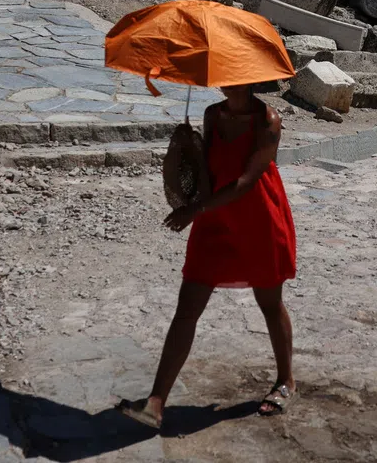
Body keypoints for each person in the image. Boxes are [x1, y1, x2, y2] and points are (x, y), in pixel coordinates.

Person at [118, 85, 298, 429]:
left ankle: (286, 381)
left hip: (258, 221)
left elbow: (246, 181)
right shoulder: (213, 115)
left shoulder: (268, 121)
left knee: (269, 302)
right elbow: (206, 171)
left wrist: (195, 210)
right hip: (215, 221)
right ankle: (155, 402)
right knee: (187, 306)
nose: (226, 81)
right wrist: (188, 143)